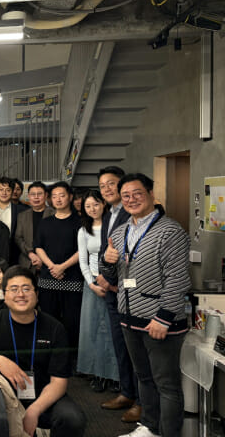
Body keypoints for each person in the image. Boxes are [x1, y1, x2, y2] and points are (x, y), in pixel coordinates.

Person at [100, 173, 191, 437]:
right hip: (129, 318)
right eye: (126, 196)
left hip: (159, 321)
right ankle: (150, 428)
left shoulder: (170, 231)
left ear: (151, 194)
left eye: (137, 193)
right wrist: (106, 260)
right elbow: (111, 276)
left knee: (167, 384)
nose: (131, 199)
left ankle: (169, 433)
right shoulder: (120, 232)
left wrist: (164, 318)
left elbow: (178, 278)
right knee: (144, 378)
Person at [0, 266, 86, 437]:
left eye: (26, 289)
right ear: (5, 295)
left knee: (72, 419)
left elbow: (59, 382)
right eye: (14, 289)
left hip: (44, 395)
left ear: (37, 294)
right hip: (5, 396)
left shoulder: (55, 328)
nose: (20, 294)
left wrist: (34, 410)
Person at [96, 166, 140, 422]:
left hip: (129, 291)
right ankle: (127, 393)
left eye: (111, 184)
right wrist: (104, 276)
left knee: (136, 350)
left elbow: (135, 256)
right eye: (102, 186)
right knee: (120, 346)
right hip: (112, 290)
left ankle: (142, 402)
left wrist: (116, 283)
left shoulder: (132, 213)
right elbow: (106, 250)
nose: (106, 189)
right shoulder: (109, 213)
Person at [34, 181, 83, 365]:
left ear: (70, 197)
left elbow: (83, 249)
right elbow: (38, 247)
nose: (58, 199)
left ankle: (70, 360)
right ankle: (50, 357)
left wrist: (63, 267)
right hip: (48, 279)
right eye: (54, 196)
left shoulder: (80, 222)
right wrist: (52, 266)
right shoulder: (45, 222)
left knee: (72, 321)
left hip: (72, 279)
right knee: (48, 320)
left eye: (62, 195)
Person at [76, 190, 119, 392]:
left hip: (113, 283)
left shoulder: (114, 226)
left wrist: (108, 282)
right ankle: (98, 373)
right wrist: (92, 284)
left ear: (103, 204)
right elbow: (83, 261)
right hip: (92, 282)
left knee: (111, 331)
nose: (92, 209)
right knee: (92, 330)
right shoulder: (84, 230)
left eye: (95, 204)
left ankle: (116, 375)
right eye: (88, 206)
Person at [15, 181, 54, 272]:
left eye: (39, 194)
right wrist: (30, 254)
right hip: (27, 262)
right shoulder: (22, 215)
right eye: (33, 194)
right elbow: (18, 238)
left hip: (50, 263)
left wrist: (42, 258)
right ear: (28, 196)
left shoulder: (54, 214)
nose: (36, 197)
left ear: (46, 195)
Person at [0, 177, 23, 265]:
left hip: (14, 256)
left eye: (8, 190)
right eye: (1, 190)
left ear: (12, 192)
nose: (4, 193)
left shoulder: (21, 211)